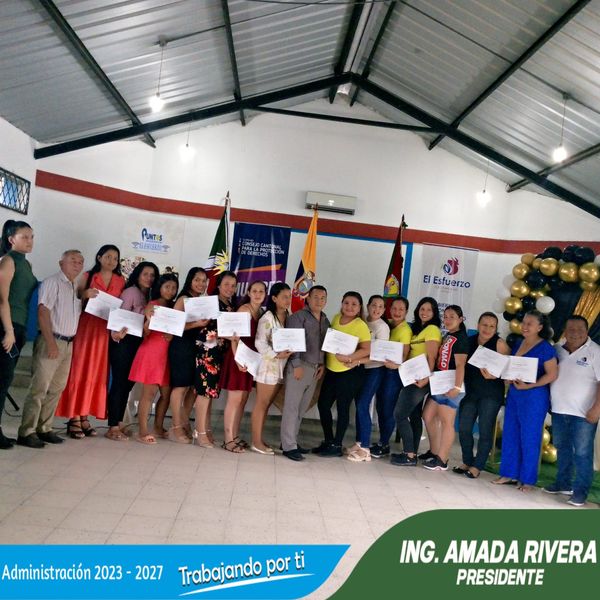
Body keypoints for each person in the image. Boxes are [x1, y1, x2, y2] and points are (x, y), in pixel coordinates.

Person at [56, 244, 125, 438]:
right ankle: (74, 417)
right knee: (79, 371)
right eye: (108, 256)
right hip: (85, 328)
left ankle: (85, 416)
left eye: (115, 258)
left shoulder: (121, 281)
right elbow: (74, 297)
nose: (111, 261)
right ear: (99, 257)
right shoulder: (88, 276)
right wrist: (84, 294)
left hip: (104, 332)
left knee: (96, 374)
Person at [17, 250, 84, 448]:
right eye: (73, 261)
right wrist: (51, 342)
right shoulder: (52, 282)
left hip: (69, 343)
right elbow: (43, 311)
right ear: (61, 263)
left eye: (80, 262)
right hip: (51, 341)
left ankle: (44, 428)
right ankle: (26, 431)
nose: (77, 265)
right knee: (39, 388)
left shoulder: (75, 286)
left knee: (56, 388)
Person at [493, 310, 558, 491]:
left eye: (530, 323)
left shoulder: (545, 348)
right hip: (515, 394)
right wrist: (508, 378)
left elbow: (552, 374)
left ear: (540, 327)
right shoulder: (519, 343)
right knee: (511, 433)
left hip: (534, 397)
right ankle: (509, 473)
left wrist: (531, 385)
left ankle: (527, 480)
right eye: (524, 322)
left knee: (530, 437)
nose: (525, 326)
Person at [544, 316, 600, 506]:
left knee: (583, 453)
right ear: (565, 331)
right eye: (571, 329)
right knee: (563, 448)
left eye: (580, 329)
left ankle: (580, 492)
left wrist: (597, 409)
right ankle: (563, 483)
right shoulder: (557, 349)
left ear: (587, 331)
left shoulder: (596, 352)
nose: (575, 333)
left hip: (584, 414)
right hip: (559, 410)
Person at [105, 261, 159, 442]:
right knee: (119, 384)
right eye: (145, 274)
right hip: (124, 342)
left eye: (152, 275)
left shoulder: (150, 296)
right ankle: (113, 426)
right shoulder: (130, 292)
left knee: (127, 385)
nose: (149, 278)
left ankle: (119, 423)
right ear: (137, 275)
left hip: (138, 344)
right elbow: (119, 317)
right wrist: (116, 334)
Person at [314, 291, 371, 457]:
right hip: (331, 371)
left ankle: (337, 445)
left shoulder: (361, 325)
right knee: (323, 405)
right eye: (346, 303)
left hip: (350, 373)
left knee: (342, 408)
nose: (349, 307)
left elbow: (367, 349)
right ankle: (329, 440)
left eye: (354, 304)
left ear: (359, 308)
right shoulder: (335, 318)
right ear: (341, 303)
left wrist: (350, 357)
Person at [455, 312, 510, 479]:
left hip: (491, 395)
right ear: (478, 325)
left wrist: (496, 375)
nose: (487, 329)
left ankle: (477, 466)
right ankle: (467, 461)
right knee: (464, 428)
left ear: (496, 328)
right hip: (471, 393)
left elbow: (510, 369)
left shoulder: (500, 344)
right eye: (484, 325)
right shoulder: (469, 341)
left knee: (485, 430)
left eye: (492, 326)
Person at [391, 296, 441, 467]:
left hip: (421, 379)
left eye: (429, 310)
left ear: (434, 313)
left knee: (399, 414)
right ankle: (412, 452)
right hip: (411, 376)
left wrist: (426, 378)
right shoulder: (418, 329)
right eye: (422, 309)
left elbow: (432, 357)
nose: (424, 312)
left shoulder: (432, 329)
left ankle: (409, 454)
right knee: (413, 415)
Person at [280, 285, 329, 461]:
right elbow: (292, 343)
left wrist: (322, 364)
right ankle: (288, 446)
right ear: (307, 298)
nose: (319, 301)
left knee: (301, 408)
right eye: (315, 297)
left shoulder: (325, 319)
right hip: (299, 366)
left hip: (315, 369)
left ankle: (290, 440)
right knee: (292, 407)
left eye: (323, 298)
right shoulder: (297, 317)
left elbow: (324, 345)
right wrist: (296, 364)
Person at [129, 273, 179, 444]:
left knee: (166, 394)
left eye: (173, 288)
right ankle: (143, 431)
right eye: (167, 287)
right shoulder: (153, 305)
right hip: (152, 352)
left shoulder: (175, 307)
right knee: (149, 393)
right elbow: (145, 331)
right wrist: (148, 323)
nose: (170, 291)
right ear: (160, 287)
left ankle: (158, 427)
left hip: (168, 354)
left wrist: (172, 335)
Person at [0, 220, 37, 449]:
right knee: (2, 380)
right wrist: (8, 331)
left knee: (5, 379)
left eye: (32, 237)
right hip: (7, 326)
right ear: (11, 239)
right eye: (25, 237)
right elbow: (2, 299)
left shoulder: (27, 264)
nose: (30, 241)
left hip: (19, 326)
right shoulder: (8, 261)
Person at [422, 305, 469, 471]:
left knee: (446, 421)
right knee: (427, 415)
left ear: (461, 319)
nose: (448, 320)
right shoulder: (449, 335)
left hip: (451, 384)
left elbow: (461, 364)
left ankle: (442, 460)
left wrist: (456, 386)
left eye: (452, 317)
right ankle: (434, 452)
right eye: (446, 316)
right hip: (439, 382)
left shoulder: (461, 338)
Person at [220, 280, 267, 451]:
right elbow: (234, 337)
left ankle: (234, 435)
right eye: (254, 291)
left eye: (261, 291)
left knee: (243, 400)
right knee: (234, 400)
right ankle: (228, 440)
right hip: (238, 358)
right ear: (248, 292)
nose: (257, 294)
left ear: (265, 294)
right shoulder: (244, 310)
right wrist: (237, 359)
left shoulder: (261, 312)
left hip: (250, 360)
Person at [195, 270, 237, 449]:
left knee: (211, 394)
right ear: (218, 285)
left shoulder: (231, 305)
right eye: (226, 284)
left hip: (221, 356)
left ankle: (207, 429)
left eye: (233, 285)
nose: (230, 288)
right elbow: (201, 333)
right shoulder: (210, 304)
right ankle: (199, 433)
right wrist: (224, 335)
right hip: (207, 354)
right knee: (204, 394)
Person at [167, 267, 209, 444]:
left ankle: (184, 422)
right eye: (197, 280)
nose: (201, 283)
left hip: (196, 348)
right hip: (181, 346)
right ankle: (175, 427)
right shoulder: (183, 299)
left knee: (192, 388)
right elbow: (173, 326)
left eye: (204, 280)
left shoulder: (202, 301)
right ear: (190, 281)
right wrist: (195, 324)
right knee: (180, 387)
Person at [251, 282, 293, 454]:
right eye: (284, 297)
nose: (288, 300)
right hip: (268, 367)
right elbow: (260, 343)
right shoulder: (267, 317)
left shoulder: (289, 316)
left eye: (289, 296)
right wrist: (276, 354)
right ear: (274, 298)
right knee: (261, 404)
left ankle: (259, 439)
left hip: (281, 367)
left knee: (266, 405)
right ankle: (256, 442)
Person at [347, 295, 390, 462]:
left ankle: (365, 449)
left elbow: (378, 356)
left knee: (363, 404)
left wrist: (357, 361)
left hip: (374, 370)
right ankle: (359, 442)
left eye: (380, 306)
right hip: (360, 370)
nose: (376, 309)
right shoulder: (363, 322)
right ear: (368, 306)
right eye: (374, 305)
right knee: (359, 404)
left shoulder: (382, 328)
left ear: (384, 310)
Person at [370, 297, 412, 458]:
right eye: (394, 308)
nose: (397, 312)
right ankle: (382, 441)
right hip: (382, 370)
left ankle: (384, 444)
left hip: (394, 374)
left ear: (406, 312)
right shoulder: (387, 324)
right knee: (380, 407)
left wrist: (395, 365)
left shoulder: (405, 330)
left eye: (401, 309)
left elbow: (404, 356)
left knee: (388, 408)